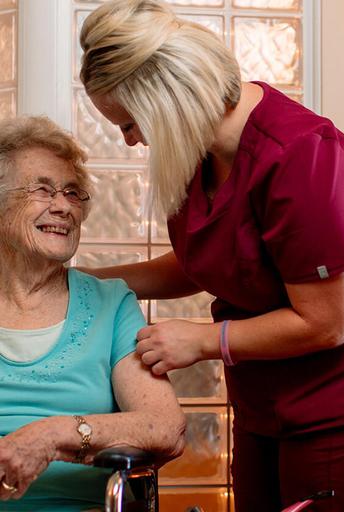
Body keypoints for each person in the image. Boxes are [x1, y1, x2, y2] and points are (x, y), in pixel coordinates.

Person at [79, 1, 344, 510]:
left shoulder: (303, 155)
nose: (130, 141)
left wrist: (203, 340)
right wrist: (85, 282)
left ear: (169, 102)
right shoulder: (202, 155)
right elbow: (205, 260)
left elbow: (325, 321)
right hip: (271, 399)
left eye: (129, 123)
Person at [0, 115, 186, 511]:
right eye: (43, 190)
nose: (63, 207)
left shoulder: (110, 304)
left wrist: (50, 436)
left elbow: (165, 426)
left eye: (72, 193)